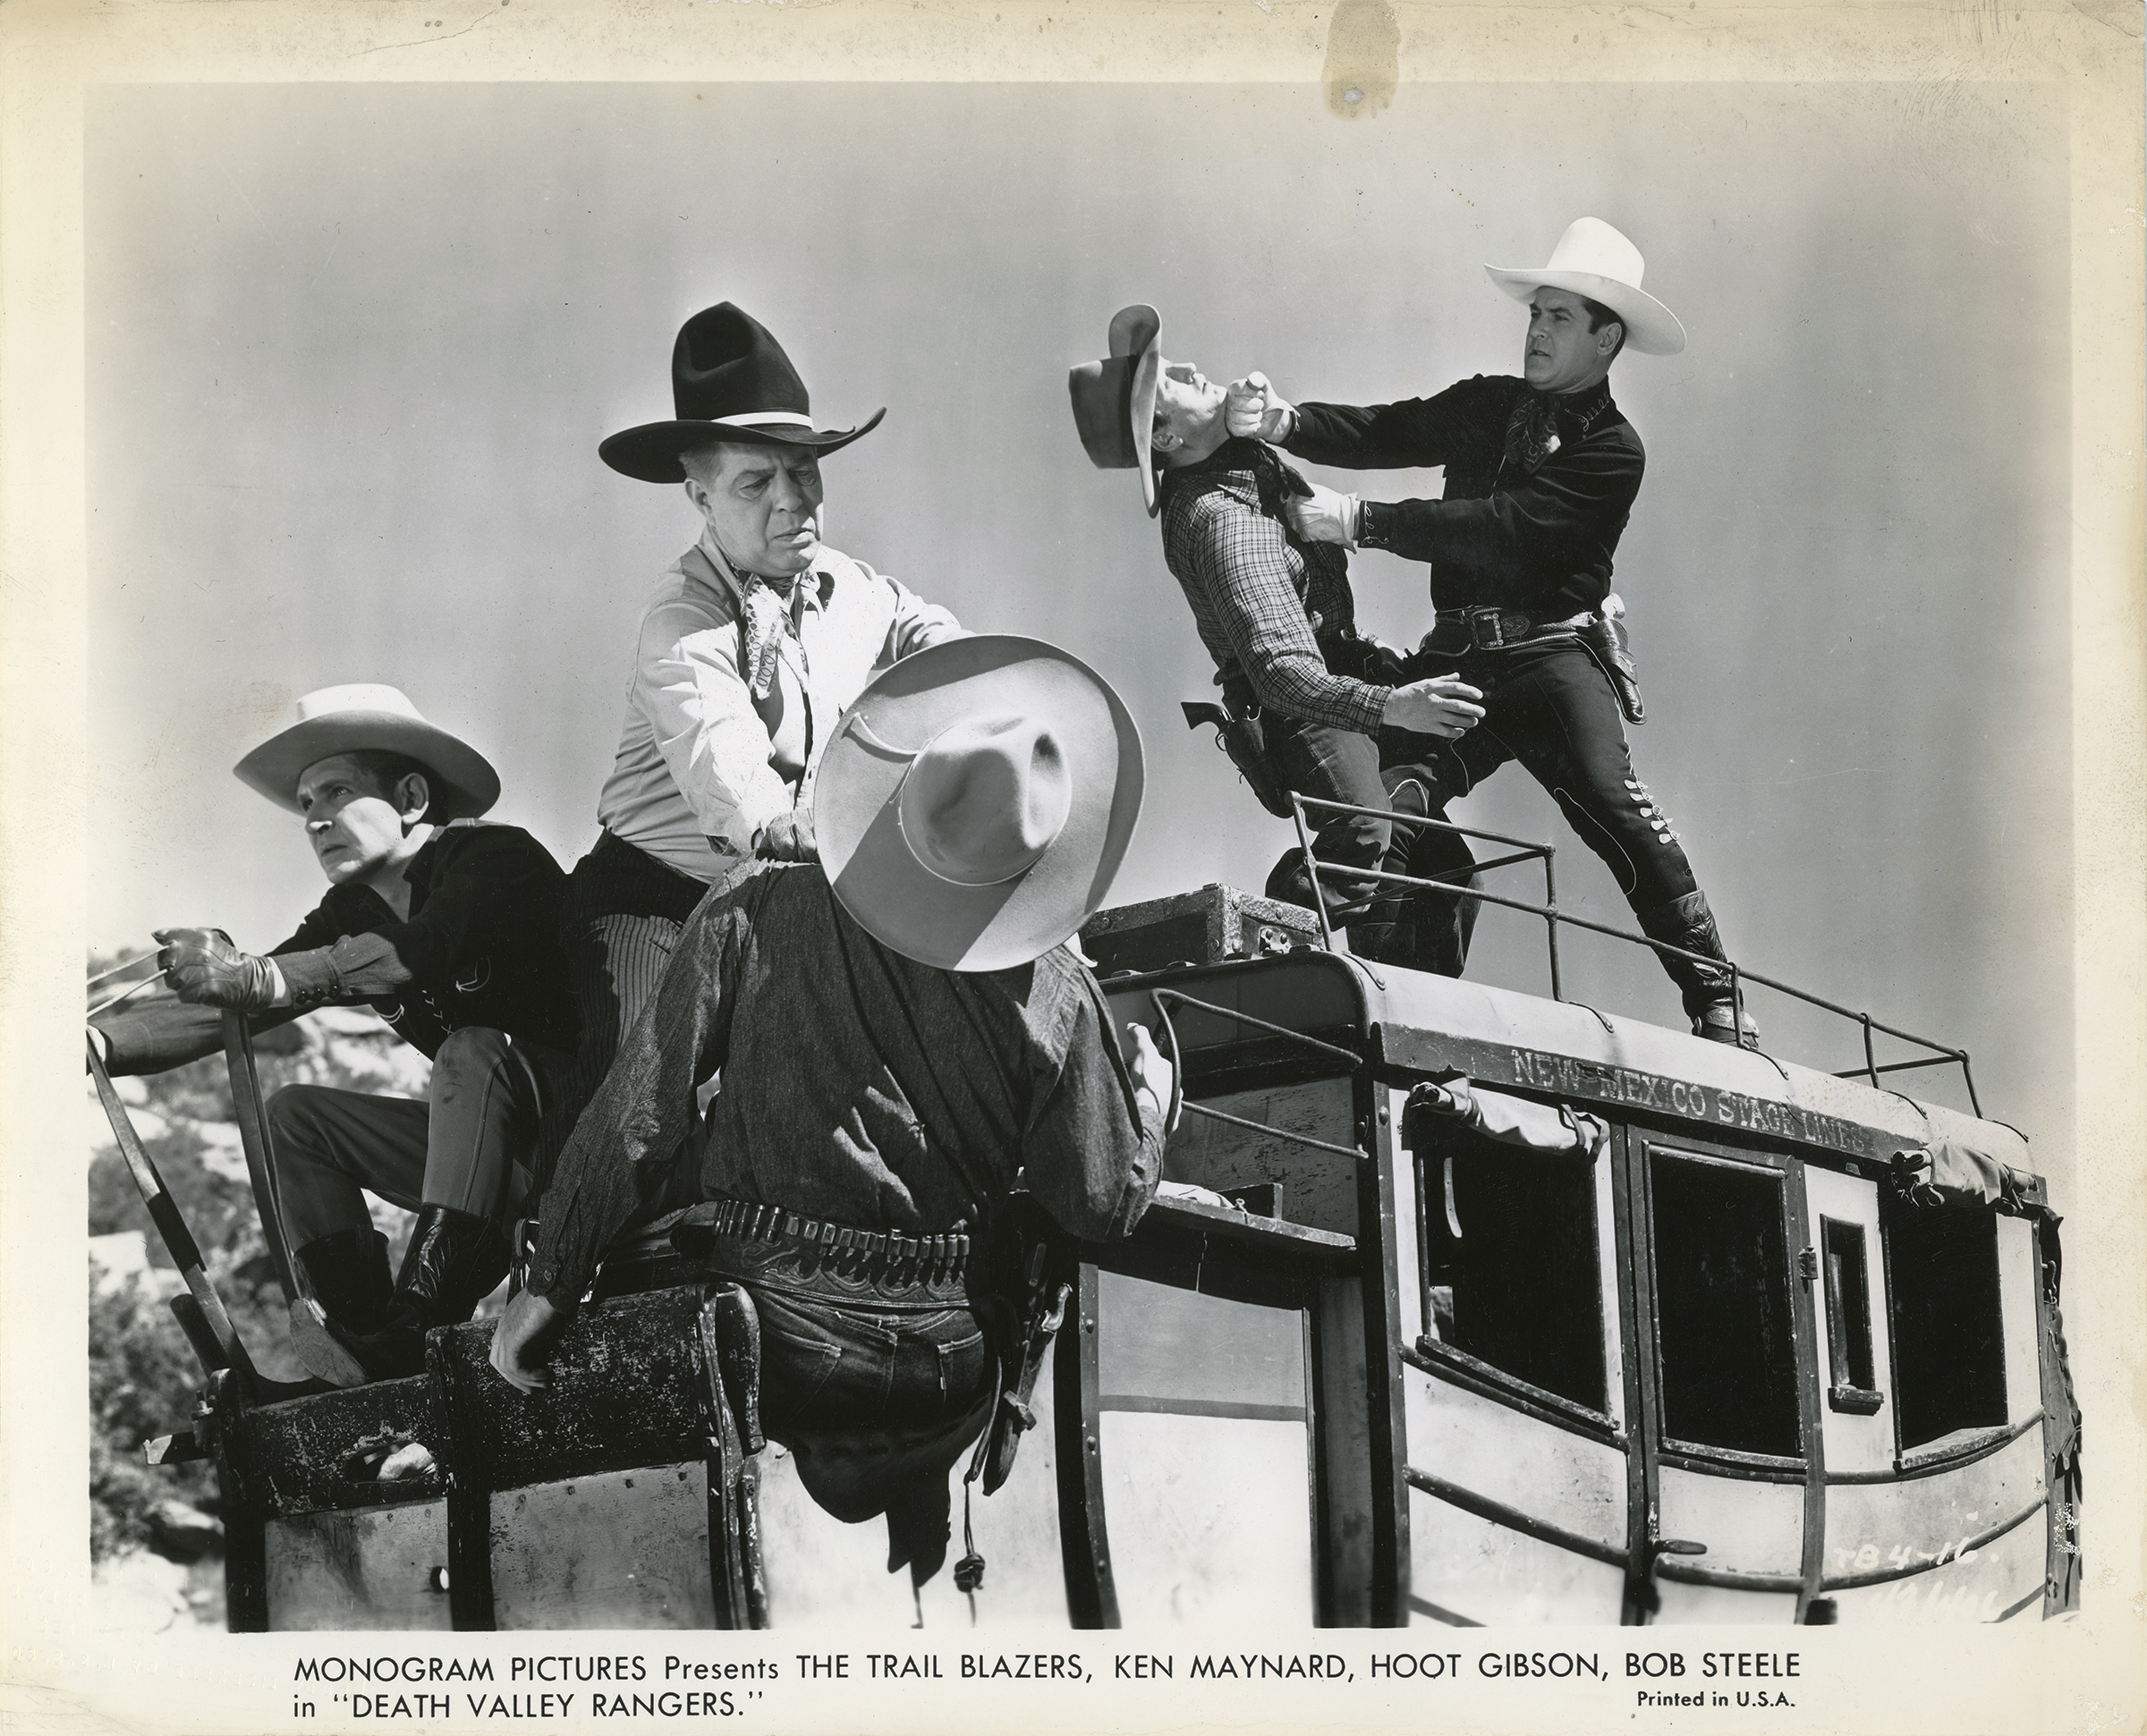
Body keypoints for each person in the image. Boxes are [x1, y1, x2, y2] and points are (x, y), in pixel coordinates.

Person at [490, 636, 1168, 1592]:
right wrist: (1152, 1106)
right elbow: (1097, 1203)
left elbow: (640, 1110)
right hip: (947, 1358)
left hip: (771, 1335)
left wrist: (547, 1289)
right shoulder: (1059, 987)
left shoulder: (758, 902)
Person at [1228, 218, 1759, 1046]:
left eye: (1558, 317)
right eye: (1535, 313)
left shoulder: (1615, 451)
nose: (1536, 330)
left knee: (1611, 802)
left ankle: (1718, 998)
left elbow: (1505, 527)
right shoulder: (1488, 403)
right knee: (1391, 805)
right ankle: (1379, 1001)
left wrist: (1362, 521)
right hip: (1460, 663)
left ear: (1606, 339)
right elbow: (1389, 429)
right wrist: (1285, 422)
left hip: (1551, 661)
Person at [535, 301, 966, 1201]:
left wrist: (982, 688)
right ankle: (560, 1257)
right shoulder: (682, 618)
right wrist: (782, 825)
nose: (791, 502)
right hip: (655, 901)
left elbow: (929, 634)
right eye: (755, 483)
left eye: (804, 473)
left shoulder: (855, 589)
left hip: (785, 901)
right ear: (700, 499)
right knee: (632, 1094)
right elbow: (721, 756)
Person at [89, 685, 578, 1383]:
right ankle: (362, 1342)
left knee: (470, 1048)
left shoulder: (495, 858)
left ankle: (415, 1331)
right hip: (489, 1161)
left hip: (581, 1147)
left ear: (411, 798)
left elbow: (421, 948)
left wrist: (258, 974)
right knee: (294, 1116)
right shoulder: (350, 911)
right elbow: (250, 1003)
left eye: (336, 792)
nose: (315, 820)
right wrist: (100, 1044)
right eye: (306, 804)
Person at [1070, 305, 1488, 973]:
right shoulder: (1221, 519)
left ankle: (1402, 1006)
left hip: (1341, 681)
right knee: (1365, 830)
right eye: (1168, 380)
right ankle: (1255, 948)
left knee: (1449, 875)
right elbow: (1282, 673)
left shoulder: (1243, 466)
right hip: (1303, 705)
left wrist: (1272, 414)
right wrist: (1392, 706)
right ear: (1167, 436)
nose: (1192, 368)